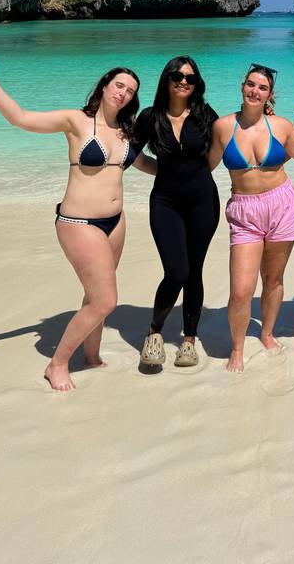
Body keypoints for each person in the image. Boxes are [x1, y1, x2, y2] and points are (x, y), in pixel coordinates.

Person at [0, 45, 155, 391]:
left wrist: (195, 169)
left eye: (130, 91)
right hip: (78, 223)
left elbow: (147, 166)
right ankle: (57, 364)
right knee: (106, 300)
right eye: (119, 85)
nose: (124, 93)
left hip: (115, 222)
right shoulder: (76, 121)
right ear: (104, 86)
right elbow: (20, 118)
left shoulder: (125, 133)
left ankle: (92, 356)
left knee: (94, 294)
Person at [209, 64, 294, 372]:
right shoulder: (223, 127)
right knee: (241, 289)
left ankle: (266, 332)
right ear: (242, 86)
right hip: (244, 210)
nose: (255, 91)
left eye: (262, 88)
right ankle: (237, 348)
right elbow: (202, 169)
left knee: (274, 279)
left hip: (281, 205)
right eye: (250, 84)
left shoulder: (280, 126)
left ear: (270, 94)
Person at [134, 57, 220, 368]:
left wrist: (263, 111)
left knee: (194, 271)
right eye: (177, 75)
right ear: (166, 78)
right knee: (176, 271)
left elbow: (224, 143)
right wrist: (163, 171)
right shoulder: (150, 117)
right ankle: (155, 332)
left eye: (190, 78)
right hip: (165, 203)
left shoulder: (204, 115)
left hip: (203, 203)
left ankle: (188, 340)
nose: (183, 81)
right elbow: (132, 153)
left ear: (197, 84)